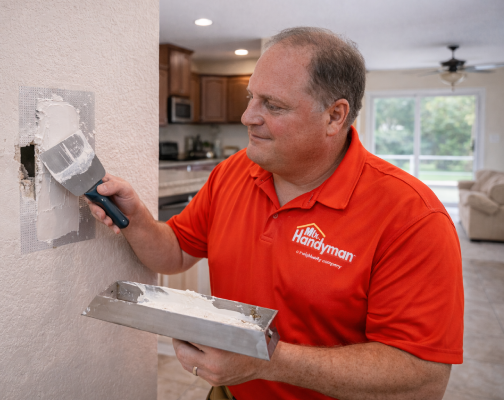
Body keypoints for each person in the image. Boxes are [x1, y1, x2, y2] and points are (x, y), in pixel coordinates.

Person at [87, 27, 463, 400]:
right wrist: (134, 217)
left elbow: (422, 380)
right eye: (252, 97)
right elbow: (175, 252)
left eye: (273, 105)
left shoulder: (412, 216)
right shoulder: (233, 171)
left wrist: (266, 360)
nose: (248, 116)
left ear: (334, 116)